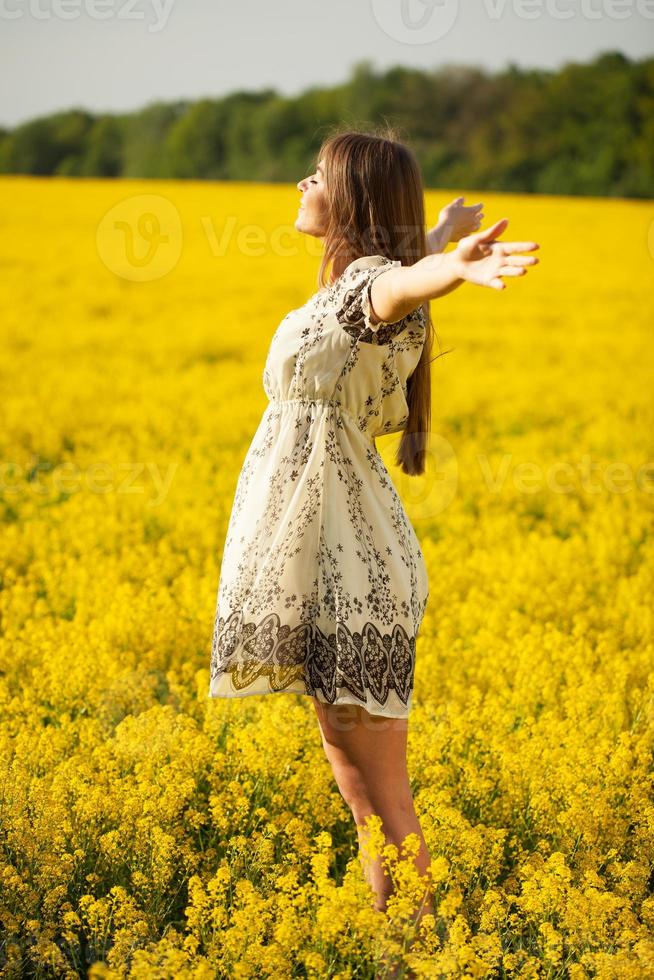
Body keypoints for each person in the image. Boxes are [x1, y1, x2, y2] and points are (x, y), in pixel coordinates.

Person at [208, 128, 539, 960]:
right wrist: (436, 249)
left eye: (312, 177)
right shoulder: (362, 290)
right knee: (366, 795)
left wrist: (449, 267)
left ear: (346, 201)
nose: (297, 184)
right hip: (341, 562)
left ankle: (412, 957)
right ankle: (401, 950)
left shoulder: (373, 288)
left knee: (378, 800)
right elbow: (396, 280)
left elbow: (395, 286)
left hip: (350, 573)